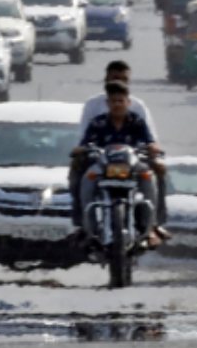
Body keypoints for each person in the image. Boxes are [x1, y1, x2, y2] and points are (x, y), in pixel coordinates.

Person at [72, 81, 168, 245]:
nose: (117, 105)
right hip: (103, 167)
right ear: (107, 103)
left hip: (133, 166)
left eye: (120, 101)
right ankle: (88, 228)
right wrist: (80, 150)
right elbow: (85, 144)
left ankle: (150, 227)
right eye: (113, 101)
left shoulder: (137, 122)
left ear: (128, 103)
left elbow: (150, 142)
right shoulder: (97, 123)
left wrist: (153, 148)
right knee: (86, 180)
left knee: (149, 178)